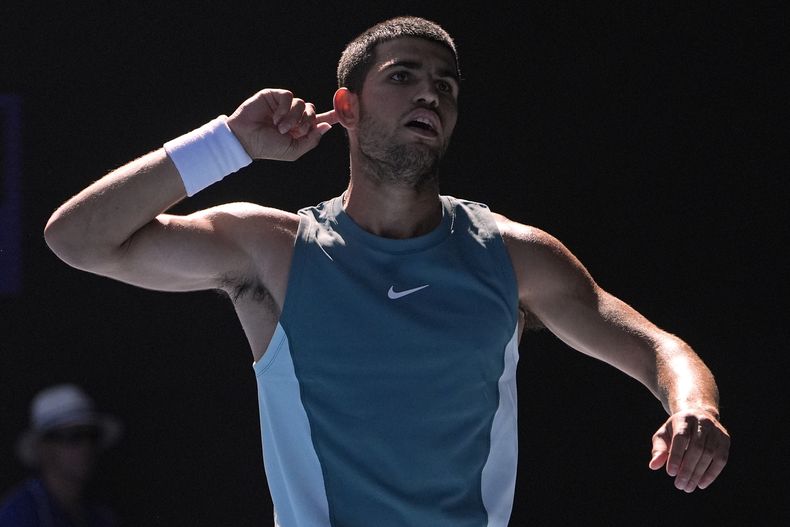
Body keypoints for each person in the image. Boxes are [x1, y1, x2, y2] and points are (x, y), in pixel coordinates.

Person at [43, 15, 729, 527]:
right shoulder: (271, 249)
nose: (428, 95)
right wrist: (225, 143)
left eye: (445, 86)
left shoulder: (513, 254)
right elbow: (78, 239)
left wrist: (693, 405)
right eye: (403, 76)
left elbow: (656, 347)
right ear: (346, 108)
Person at [0, 384, 123, 526]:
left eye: (91, 435)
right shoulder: (18, 516)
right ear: (43, 448)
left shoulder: (100, 516)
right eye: (73, 437)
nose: (86, 446)